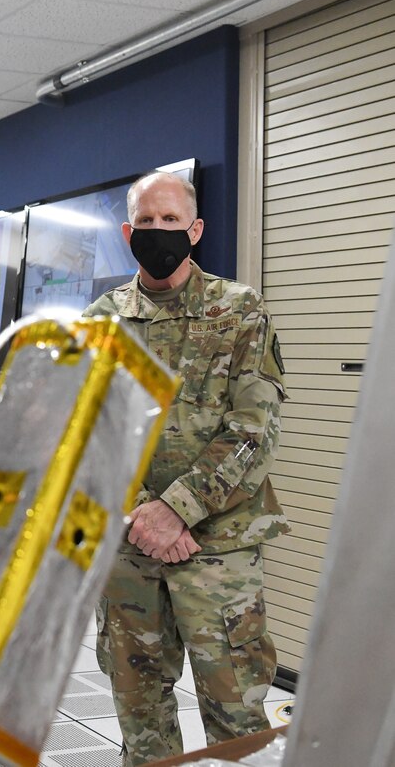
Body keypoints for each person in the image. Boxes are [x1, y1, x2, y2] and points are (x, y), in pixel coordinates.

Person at [83, 171, 290, 766]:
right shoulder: (100, 321)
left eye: (170, 220)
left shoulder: (240, 311)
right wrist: (142, 514)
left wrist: (175, 510)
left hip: (217, 550)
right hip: (131, 548)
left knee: (237, 720)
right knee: (140, 719)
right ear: (127, 232)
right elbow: (88, 435)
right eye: (145, 222)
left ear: (195, 230)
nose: (157, 231)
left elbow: (254, 433)